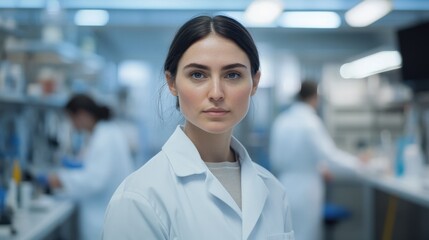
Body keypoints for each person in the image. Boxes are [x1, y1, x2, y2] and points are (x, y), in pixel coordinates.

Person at [102, 15, 295, 240]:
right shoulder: (139, 198)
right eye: (198, 74)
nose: (216, 93)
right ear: (172, 82)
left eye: (232, 75)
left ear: (255, 82)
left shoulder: (273, 190)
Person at [269, 80, 357, 240]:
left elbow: (276, 158)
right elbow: (330, 157)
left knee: (287, 234)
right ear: (315, 97)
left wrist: (317, 167)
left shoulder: (282, 121)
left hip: (284, 185)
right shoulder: (310, 122)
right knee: (307, 234)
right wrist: (360, 165)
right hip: (307, 190)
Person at [45, 94, 134, 240]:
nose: (72, 125)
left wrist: (61, 179)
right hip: (107, 213)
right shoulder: (105, 132)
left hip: (102, 216)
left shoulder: (104, 137)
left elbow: (94, 180)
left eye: (71, 119)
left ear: (82, 115)